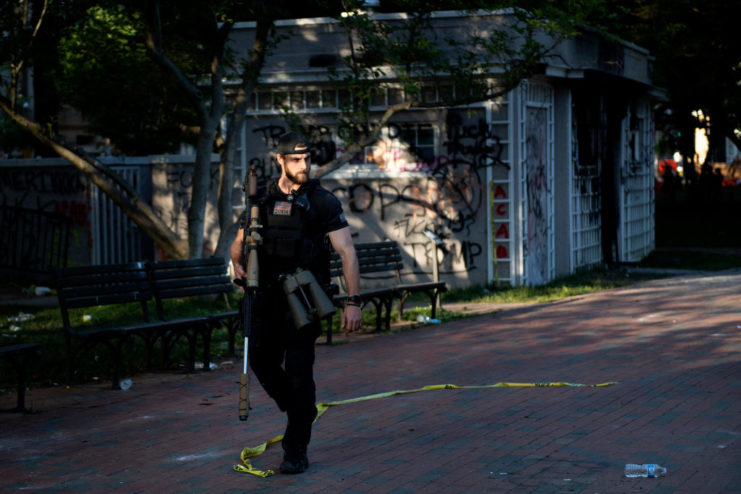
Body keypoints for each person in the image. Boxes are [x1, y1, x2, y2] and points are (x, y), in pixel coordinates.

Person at [230, 131, 362, 474]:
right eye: (296, 159)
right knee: (259, 357)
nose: (304, 165)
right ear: (280, 160)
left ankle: (295, 450)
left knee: (300, 373)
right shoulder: (260, 200)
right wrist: (238, 264)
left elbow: (347, 251)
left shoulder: (322, 201)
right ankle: (300, 410)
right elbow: (238, 243)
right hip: (264, 299)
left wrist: (353, 301)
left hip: (303, 297)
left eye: (307, 159)